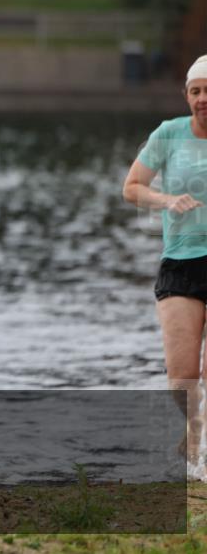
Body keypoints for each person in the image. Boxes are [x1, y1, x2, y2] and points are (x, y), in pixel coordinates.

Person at [122, 53, 207, 468]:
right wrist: (167, 199)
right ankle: (194, 427)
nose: (203, 98)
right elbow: (133, 187)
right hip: (180, 262)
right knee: (182, 377)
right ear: (187, 96)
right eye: (196, 91)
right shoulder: (169, 135)